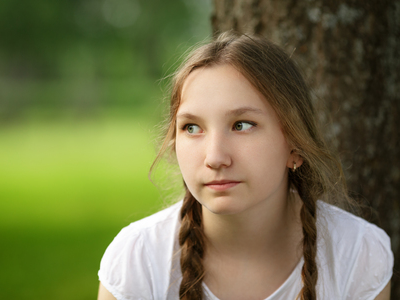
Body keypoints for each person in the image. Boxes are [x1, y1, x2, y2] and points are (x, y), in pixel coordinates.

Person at [97, 32, 393, 300]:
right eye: (191, 128)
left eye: (241, 125)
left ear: (296, 146)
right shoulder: (137, 261)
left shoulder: (357, 254)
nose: (214, 157)